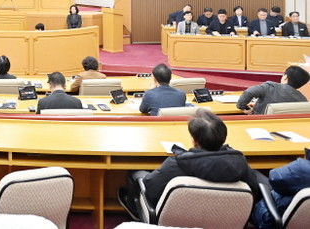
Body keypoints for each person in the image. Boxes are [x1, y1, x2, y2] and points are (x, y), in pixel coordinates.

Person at [117, 109, 262, 221]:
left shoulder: (176, 164)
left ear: (194, 141)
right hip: (227, 221)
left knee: (137, 174)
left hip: (176, 222)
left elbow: (151, 191)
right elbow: (254, 191)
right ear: (223, 138)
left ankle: (134, 210)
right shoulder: (240, 164)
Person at [251, 148, 310, 229]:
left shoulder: (303, 168)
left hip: (273, 217)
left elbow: (273, 177)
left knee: (253, 174)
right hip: (302, 218)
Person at [236, 65, 309, 114]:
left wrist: (244, 107)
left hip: (258, 123)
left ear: (285, 77)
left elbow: (249, 92)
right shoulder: (303, 100)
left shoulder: (270, 87)